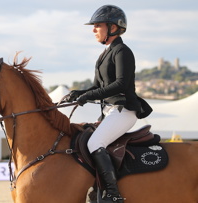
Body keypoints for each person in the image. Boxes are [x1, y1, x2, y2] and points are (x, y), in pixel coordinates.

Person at [64, 5, 152, 203]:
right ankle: (97, 187)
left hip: (124, 111)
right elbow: (97, 86)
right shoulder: (104, 54)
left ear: (113, 27)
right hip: (109, 111)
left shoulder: (122, 51)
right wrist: (80, 93)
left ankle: (113, 194)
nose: (93, 30)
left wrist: (89, 96)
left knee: (95, 143)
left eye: (97, 26)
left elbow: (120, 84)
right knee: (83, 139)